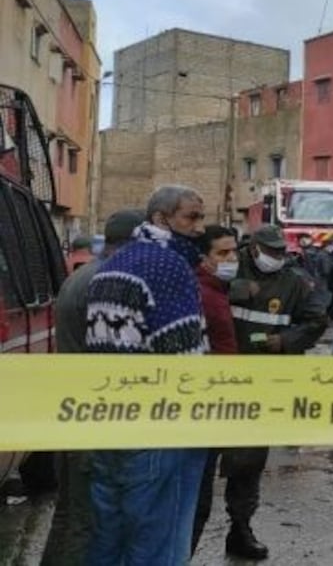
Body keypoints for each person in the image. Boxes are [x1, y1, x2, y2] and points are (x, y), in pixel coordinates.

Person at [83, 186, 209, 565]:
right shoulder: (166, 266)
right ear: (160, 219)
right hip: (160, 428)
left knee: (108, 539)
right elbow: (187, 359)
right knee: (158, 545)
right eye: (191, 217)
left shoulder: (113, 266)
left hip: (110, 424)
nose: (200, 228)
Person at [210, 225, 327, 561]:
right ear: (253, 247)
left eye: (280, 253)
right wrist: (231, 289)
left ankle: (241, 528)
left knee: (247, 460)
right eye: (270, 251)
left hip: (259, 383)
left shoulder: (295, 282)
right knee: (200, 459)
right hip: (213, 378)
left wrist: (286, 342)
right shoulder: (228, 269)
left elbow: (317, 320)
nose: (275, 258)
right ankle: (187, 529)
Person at [40, 210, 142, 566]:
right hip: (94, 412)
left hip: (72, 407)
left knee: (69, 513)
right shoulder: (109, 281)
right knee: (86, 519)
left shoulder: (82, 276)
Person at [190, 225, 240, 557]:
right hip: (202, 410)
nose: (231, 258)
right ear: (204, 258)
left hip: (218, 406)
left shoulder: (220, 290)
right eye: (222, 253)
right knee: (195, 505)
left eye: (234, 251)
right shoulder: (201, 293)